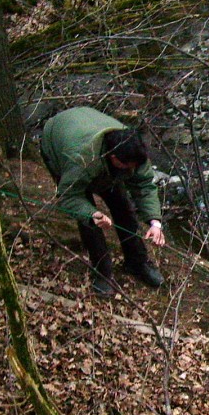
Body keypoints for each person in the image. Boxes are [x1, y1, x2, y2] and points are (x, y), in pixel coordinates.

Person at [40, 106, 166, 296]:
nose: (132, 171)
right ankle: (102, 272)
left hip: (87, 124)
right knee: (90, 221)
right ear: (114, 158)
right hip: (58, 139)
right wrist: (91, 213)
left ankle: (137, 263)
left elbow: (144, 186)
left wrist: (155, 222)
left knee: (124, 208)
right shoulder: (80, 159)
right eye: (128, 167)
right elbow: (69, 195)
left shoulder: (135, 152)